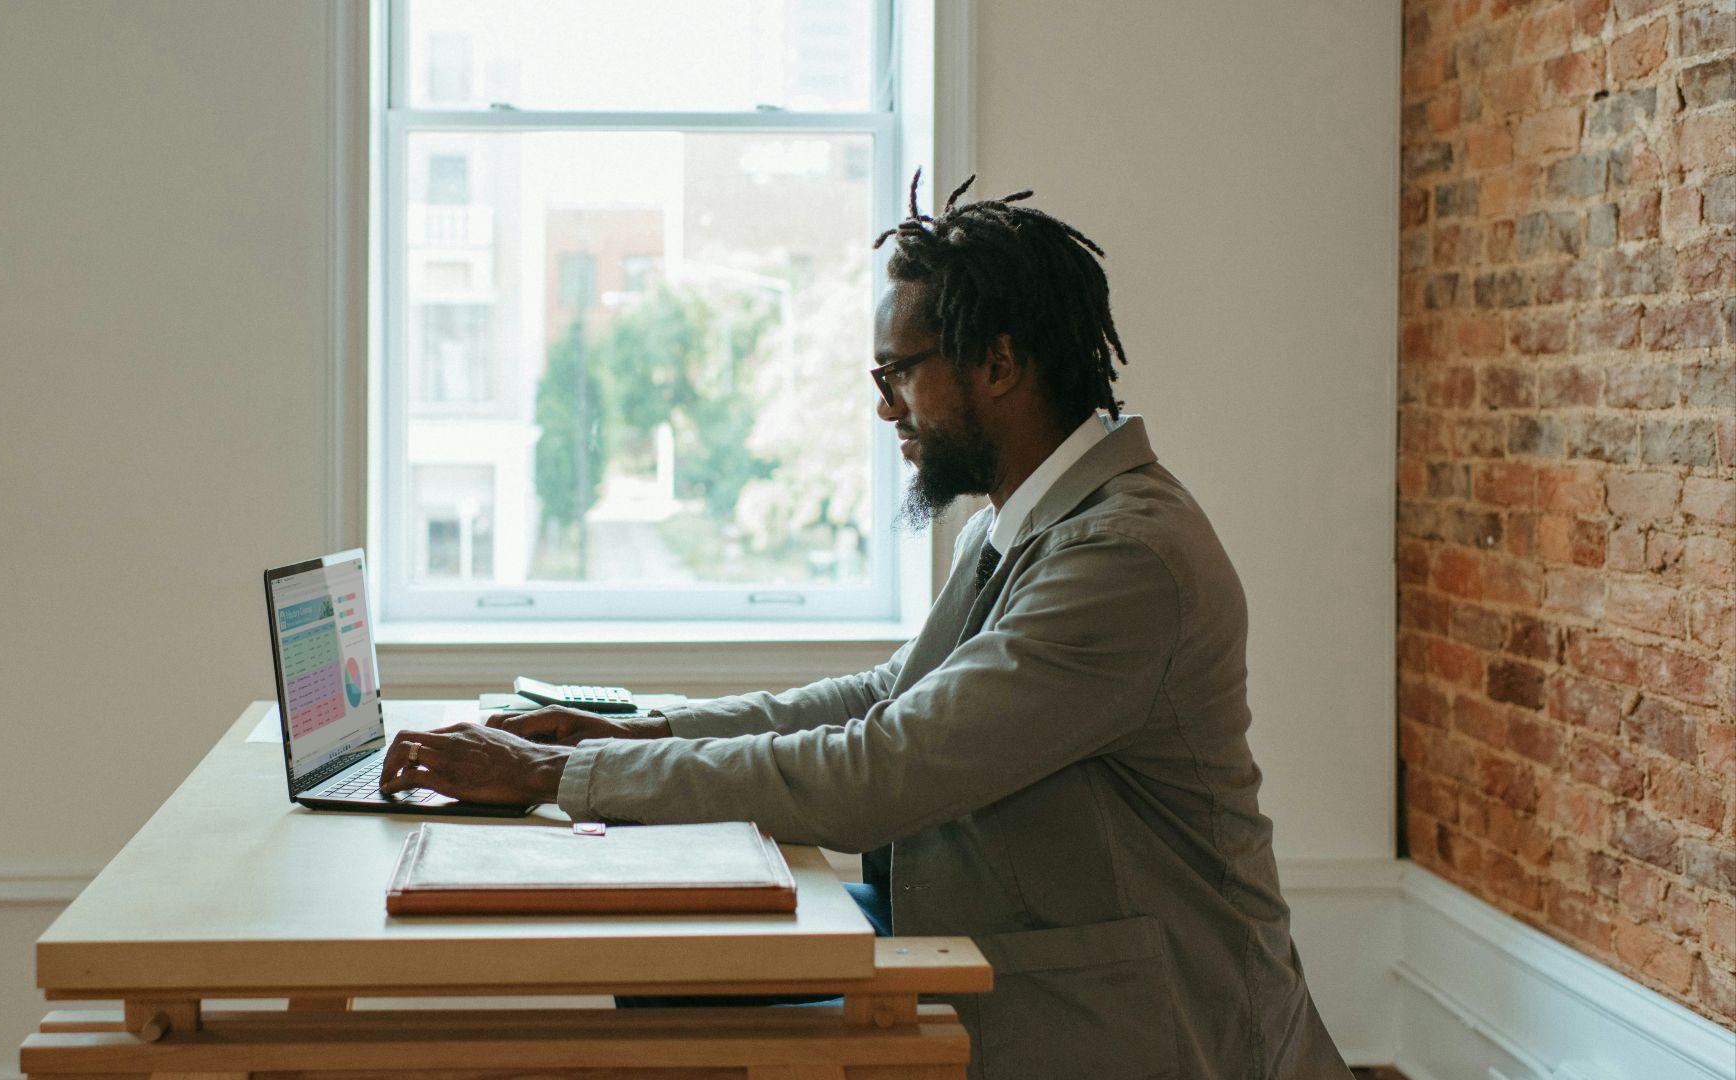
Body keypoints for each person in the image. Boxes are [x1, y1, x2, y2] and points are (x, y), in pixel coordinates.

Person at [379, 173, 1352, 1080]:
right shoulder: (1023, 518)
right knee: (675, 978)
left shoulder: (1125, 559)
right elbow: (885, 697)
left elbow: (883, 767)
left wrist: (556, 776)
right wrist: (633, 734)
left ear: (1001, 364)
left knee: (677, 1000)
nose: (886, 407)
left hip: (1150, 1025)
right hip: (992, 939)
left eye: (898, 374)